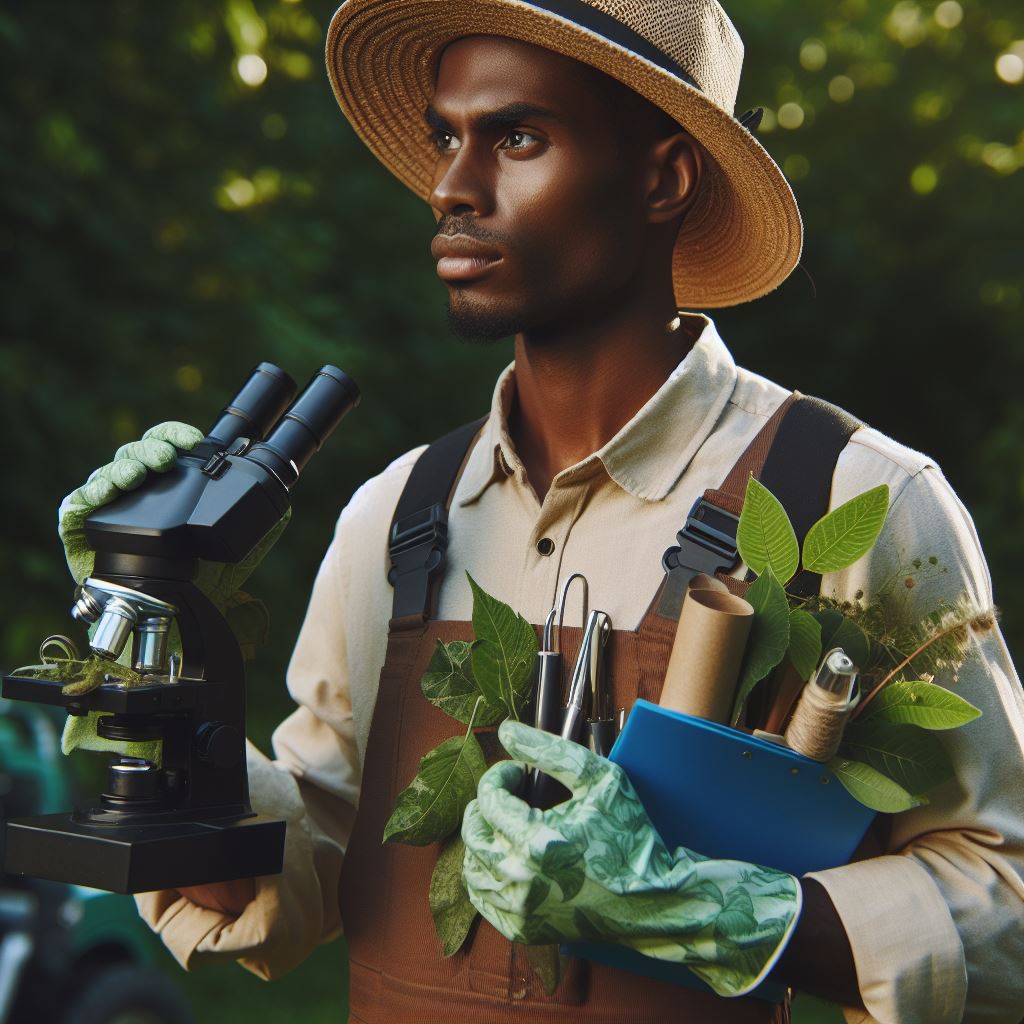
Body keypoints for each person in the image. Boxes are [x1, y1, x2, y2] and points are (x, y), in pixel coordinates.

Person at [63, 1, 1024, 1022]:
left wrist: (709, 908)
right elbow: (292, 885)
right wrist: (162, 675)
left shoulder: (853, 501)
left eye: (516, 137)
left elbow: (1003, 899)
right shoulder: (394, 518)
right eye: (447, 136)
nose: (449, 186)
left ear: (663, 177)